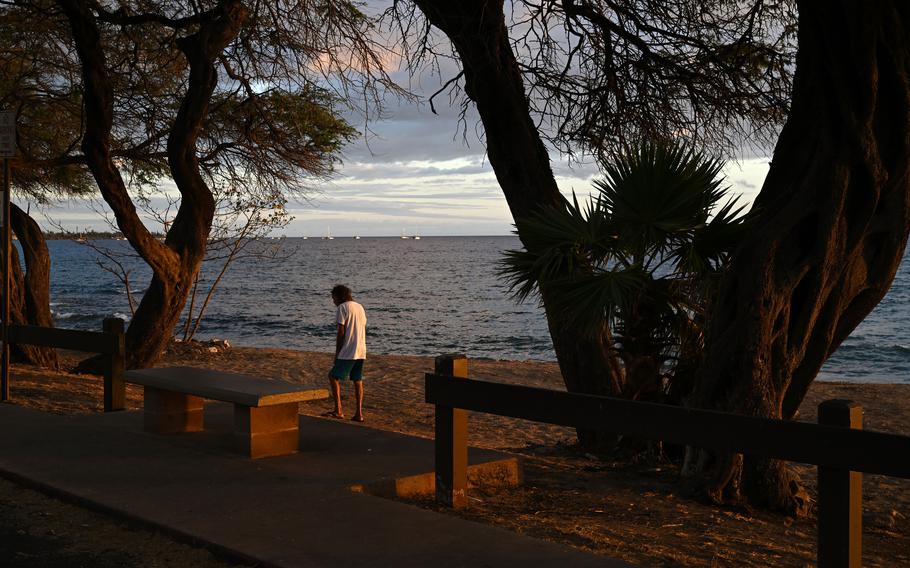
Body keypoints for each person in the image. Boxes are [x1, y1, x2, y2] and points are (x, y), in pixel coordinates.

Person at [324, 284, 367, 422]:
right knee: (357, 380)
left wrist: (337, 353)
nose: (333, 301)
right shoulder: (359, 307)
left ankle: (339, 410)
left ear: (339, 296)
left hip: (348, 350)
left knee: (333, 376)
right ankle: (359, 413)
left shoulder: (342, 308)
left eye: (333, 298)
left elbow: (341, 333)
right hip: (361, 350)